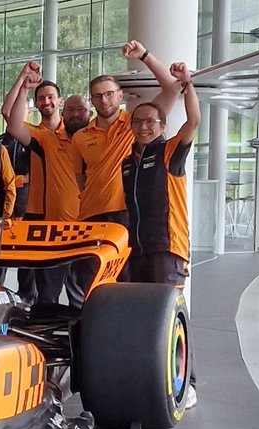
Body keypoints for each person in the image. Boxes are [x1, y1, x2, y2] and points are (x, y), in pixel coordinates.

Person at [68, 39, 182, 305]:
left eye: (109, 93)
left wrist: (144, 55)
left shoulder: (134, 124)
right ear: (91, 100)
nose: (104, 99)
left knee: (129, 282)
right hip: (92, 218)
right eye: (97, 95)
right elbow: (81, 179)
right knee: (95, 286)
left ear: (120, 96)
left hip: (126, 215)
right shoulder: (81, 137)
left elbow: (172, 87)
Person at [122, 62, 200, 410]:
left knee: (172, 314)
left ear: (162, 126)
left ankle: (188, 382)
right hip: (137, 249)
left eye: (150, 122)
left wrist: (188, 87)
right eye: (138, 122)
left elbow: (194, 122)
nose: (143, 126)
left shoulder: (169, 151)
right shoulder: (127, 162)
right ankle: (154, 377)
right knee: (146, 315)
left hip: (167, 246)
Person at [2, 63, 84, 305]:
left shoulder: (84, 135)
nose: (46, 102)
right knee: (40, 282)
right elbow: (10, 117)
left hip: (81, 218)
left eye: (51, 97)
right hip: (40, 214)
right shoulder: (42, 137)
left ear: (59, 101)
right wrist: (24, 82)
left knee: (79, 285)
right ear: (36, 104)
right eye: (41, 98)